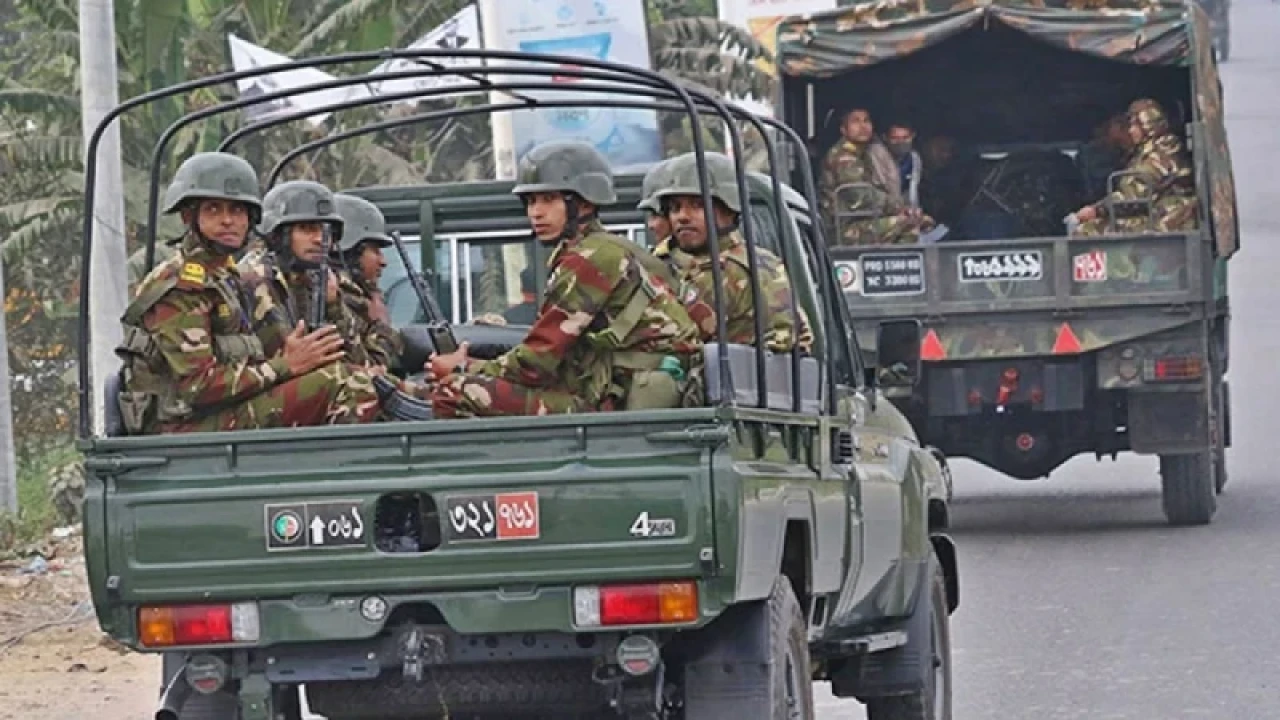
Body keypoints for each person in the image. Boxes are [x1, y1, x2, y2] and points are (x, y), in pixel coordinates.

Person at [409, 140, 703, 417]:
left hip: (613, 401)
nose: (535, 213)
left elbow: (536, 362)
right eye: (531, 201)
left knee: (454, 390)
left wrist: (462, 367)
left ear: (584, 204)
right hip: (610, 390)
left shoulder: (590, 259)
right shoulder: (604, 249)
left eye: (549, 200)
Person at [114, 152, 380, 434]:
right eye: (214, 209)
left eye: (237, 211)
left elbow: (238, 362)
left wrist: (284, 358)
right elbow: (198, 387)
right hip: (182, 428)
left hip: (218, 413)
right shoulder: (181, 284)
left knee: (355, 374)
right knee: (341, 381)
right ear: (188, 216)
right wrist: (285, 365)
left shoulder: (224, 277)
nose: (228, 220)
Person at [651, 151, 812, 354]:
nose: (683, 216)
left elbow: (784, 347)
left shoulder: (749, 268)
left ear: (729, 209)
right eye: (675, 208)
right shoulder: (660, 262)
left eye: (698, 205)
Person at [238, 180, 373, 367]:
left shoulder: (312, 280)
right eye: (307, 229)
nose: (320, 239)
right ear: (280, 235)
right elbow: (296, 362)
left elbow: (359, 361)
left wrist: (334, 306)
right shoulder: (258, 279)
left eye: (326, 231)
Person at [1070, 99, 1198, 236]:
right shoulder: (1144, 152)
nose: (1130, 131)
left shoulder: (1164, 150)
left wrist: (1097, 210)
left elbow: (1135, 193)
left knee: (1088, 230)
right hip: (1156, 218)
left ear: (1148, 125)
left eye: (1134, 126)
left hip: (1169, 222)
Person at [819, 107, 934, 246]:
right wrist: (899, 208)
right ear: (843, 129)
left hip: (863, 222)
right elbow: (861, 197)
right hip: (842, 230)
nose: (863, 126)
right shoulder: (843, 157)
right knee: (908, 225)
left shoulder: (867, 154)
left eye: (866, 121)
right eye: (855, 121)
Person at [331, 192, 404, 371]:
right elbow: (374, 371)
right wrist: (382, 325)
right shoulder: (339, 298)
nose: (383, 261)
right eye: (375, 250)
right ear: (351, 251)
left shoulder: (352, 296)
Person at [884, 121, 924, 209]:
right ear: (885, 138)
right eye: (895, 138)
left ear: (913, 136)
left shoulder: (914, 158)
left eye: (905, 138)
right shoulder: (879, 160)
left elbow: (912, 190)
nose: (900, 142)